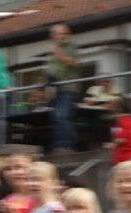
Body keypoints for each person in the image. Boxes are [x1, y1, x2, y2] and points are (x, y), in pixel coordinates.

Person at [47, 24, 81, 153]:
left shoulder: (71, 47)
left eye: (61, 33)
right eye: (56, 34)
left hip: (69, 88)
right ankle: (60, 145)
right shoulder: (56, 49)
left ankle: (66, 146)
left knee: (63, 116)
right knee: (56, 117)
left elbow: (72, 62)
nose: (59, 36)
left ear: (67, 34)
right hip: (57, 89)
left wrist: (57, 53)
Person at [107, 96, 131, 164]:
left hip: (122, 158)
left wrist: (111, 144)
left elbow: (119, 139)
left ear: (119, 109)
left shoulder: (116, 121)